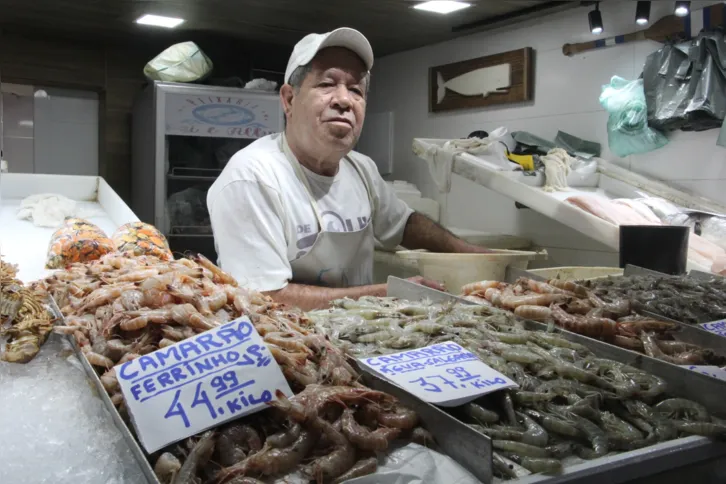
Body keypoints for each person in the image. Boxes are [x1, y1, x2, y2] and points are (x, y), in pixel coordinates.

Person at [207, 27, 491, 310]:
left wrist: (475, 254)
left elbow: (405, 224)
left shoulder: (361, 168)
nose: (343, 100)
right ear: (289, 99)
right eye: (326, 84)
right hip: (287, 343)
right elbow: (265, 298)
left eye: (355, 90)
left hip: (355, 333)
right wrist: (390, 294)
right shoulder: (253, 177)